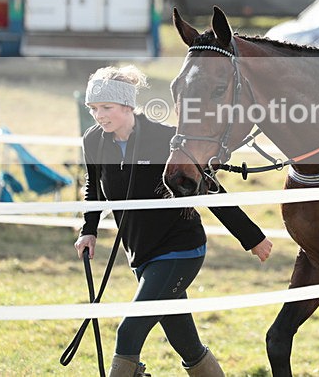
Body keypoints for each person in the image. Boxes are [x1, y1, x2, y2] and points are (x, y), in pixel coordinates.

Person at [73, 65, 273, 377]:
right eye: (94, 108)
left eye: (106, 108)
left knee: (128, 333)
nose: (99, 115)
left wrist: (252, 237)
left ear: (128, 105)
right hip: (140, 253)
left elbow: (210, 187)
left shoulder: (166, 140)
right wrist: (89, 230)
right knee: (188, 346)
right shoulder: (94, 141)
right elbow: (92, 185)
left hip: (180, 250)